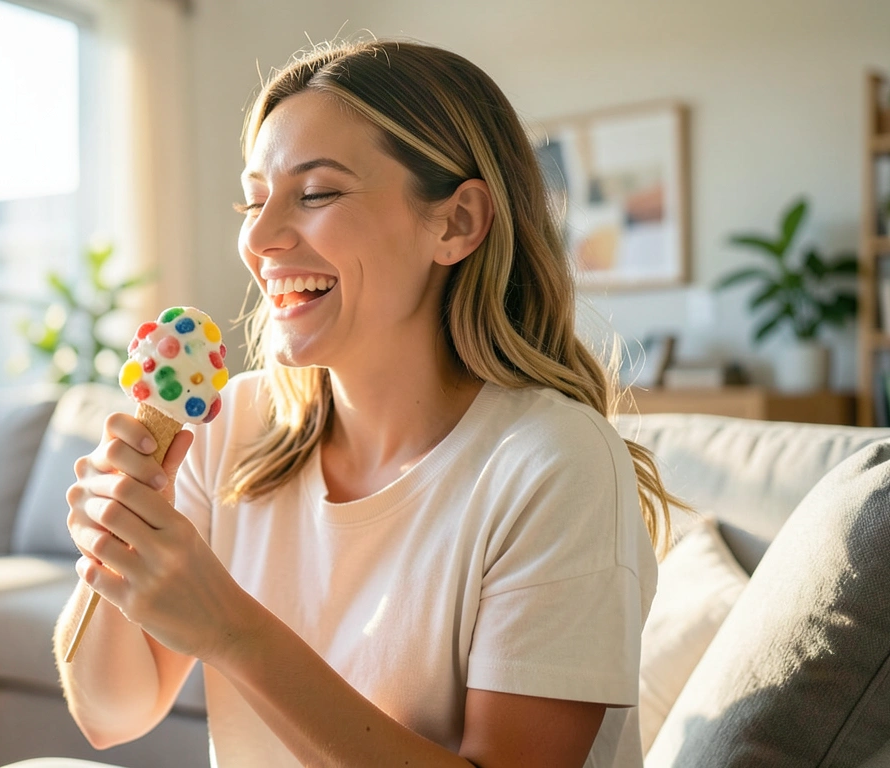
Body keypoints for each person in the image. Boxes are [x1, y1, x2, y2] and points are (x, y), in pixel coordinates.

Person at [51, 39, 682, 768]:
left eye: (316, 192)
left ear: (456, 223)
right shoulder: (229, 432)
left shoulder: (553, 465)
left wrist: (232, 630)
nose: (258, 237)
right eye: (255, 200)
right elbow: (108, 714)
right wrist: (114, 539)